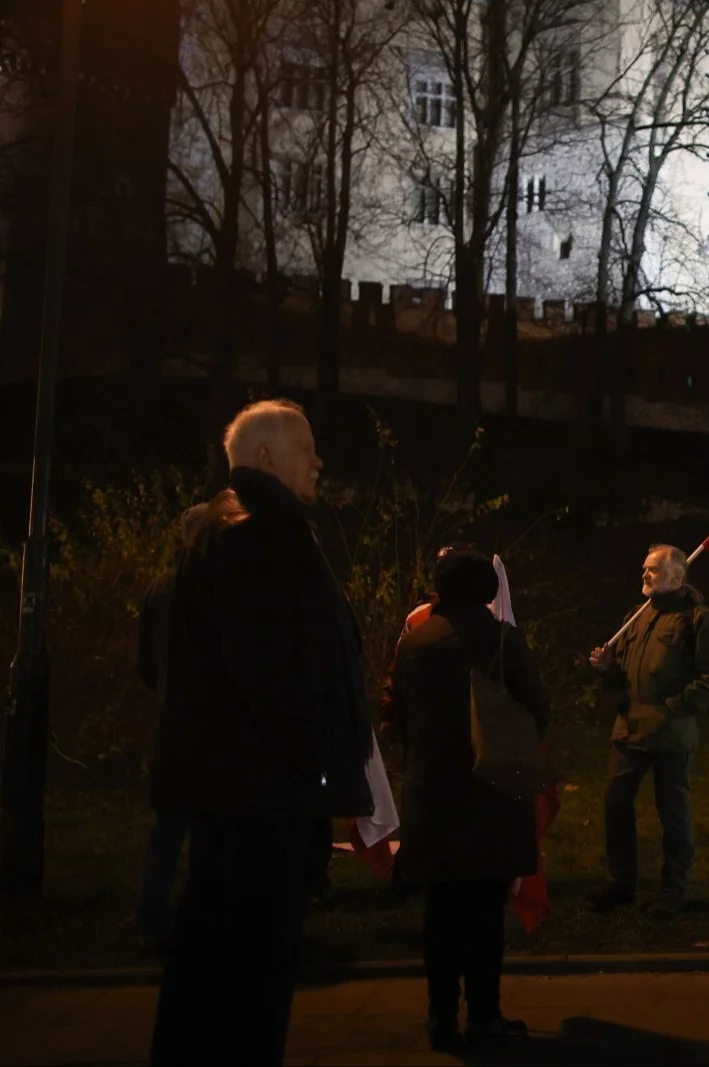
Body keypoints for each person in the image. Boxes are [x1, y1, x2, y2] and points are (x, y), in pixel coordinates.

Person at [147, 399, 374, 1067]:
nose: (319, 460)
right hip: (262, 792)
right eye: (306, 448)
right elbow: (271, 671)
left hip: (237, 786)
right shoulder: (259, 535)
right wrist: (316, 755)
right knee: (250, 971)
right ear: (267, 457)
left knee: (210, 960)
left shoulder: (227, 528)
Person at [385, 546, 551, 1055]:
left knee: (441, 913)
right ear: (486, 591)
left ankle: (440, 1018)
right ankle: (484, 1015)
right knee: (483, 912)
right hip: (491, 795)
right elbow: (537, 711)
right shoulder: (503, 639)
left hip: (434, 795)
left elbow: (396, 719)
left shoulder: (415, 644)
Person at [586, 544, 709, 918]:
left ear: (677, 577)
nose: (645, 576)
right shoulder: (637, 617)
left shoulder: (698, 620)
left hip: (670, 735)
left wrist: (675, 708)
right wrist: (607, 669)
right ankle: (621, 881)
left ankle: (673, 890)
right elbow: (627, 675)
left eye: (653, 570)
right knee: (615, 804)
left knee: (673, 813)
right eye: (644, 569)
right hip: (628, 730)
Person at [133, 504, 207, 955]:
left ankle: (152, 921)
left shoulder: (158, 588)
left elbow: (144, 662)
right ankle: (202, 922)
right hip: (210, 726)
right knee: (210, 830)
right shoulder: (212, 587)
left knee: (167, 829)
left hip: (170, 723)